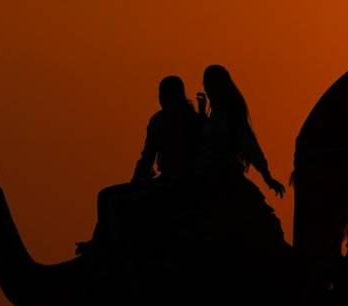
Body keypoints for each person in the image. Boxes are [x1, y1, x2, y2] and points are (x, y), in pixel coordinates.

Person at [78, 75, 205, 255]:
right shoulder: (185, 119)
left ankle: (107, 247)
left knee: (111, 200)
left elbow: (148, 157)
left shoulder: (168, 120)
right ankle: (100, 243)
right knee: (110, 197)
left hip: (174, 185)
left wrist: (136, 181)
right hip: (175, 183)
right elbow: (149, 157)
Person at [195, 65, 285, 198]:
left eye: (210, 85)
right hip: (206, 175)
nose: (207, 90)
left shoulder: (232, 116)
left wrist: (267, 177)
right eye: (206, 85)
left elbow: (250, 146)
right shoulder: (214, 114)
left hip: (225, 177)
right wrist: (202, 113)